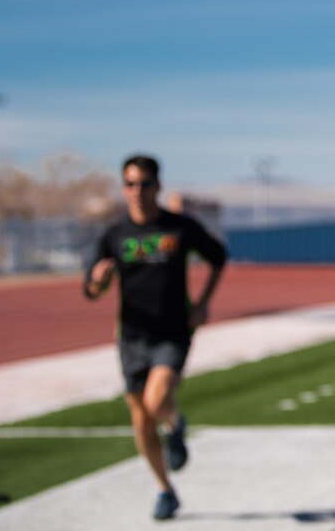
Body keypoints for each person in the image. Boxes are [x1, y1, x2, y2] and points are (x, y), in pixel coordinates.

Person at [84, 154, 227, 520]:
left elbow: (218, 257)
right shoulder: (115, 235)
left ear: (158, 186)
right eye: (131, 184)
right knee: (141, 419)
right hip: (131, 335)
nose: (138, 192)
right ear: (123, 188)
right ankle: (165, 489)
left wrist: (203, 302)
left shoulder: (179, 228)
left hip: (173, 331)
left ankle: (176, 425)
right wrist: (98, 283)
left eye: (145, 184)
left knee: (156, 397)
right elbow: (92, 287)